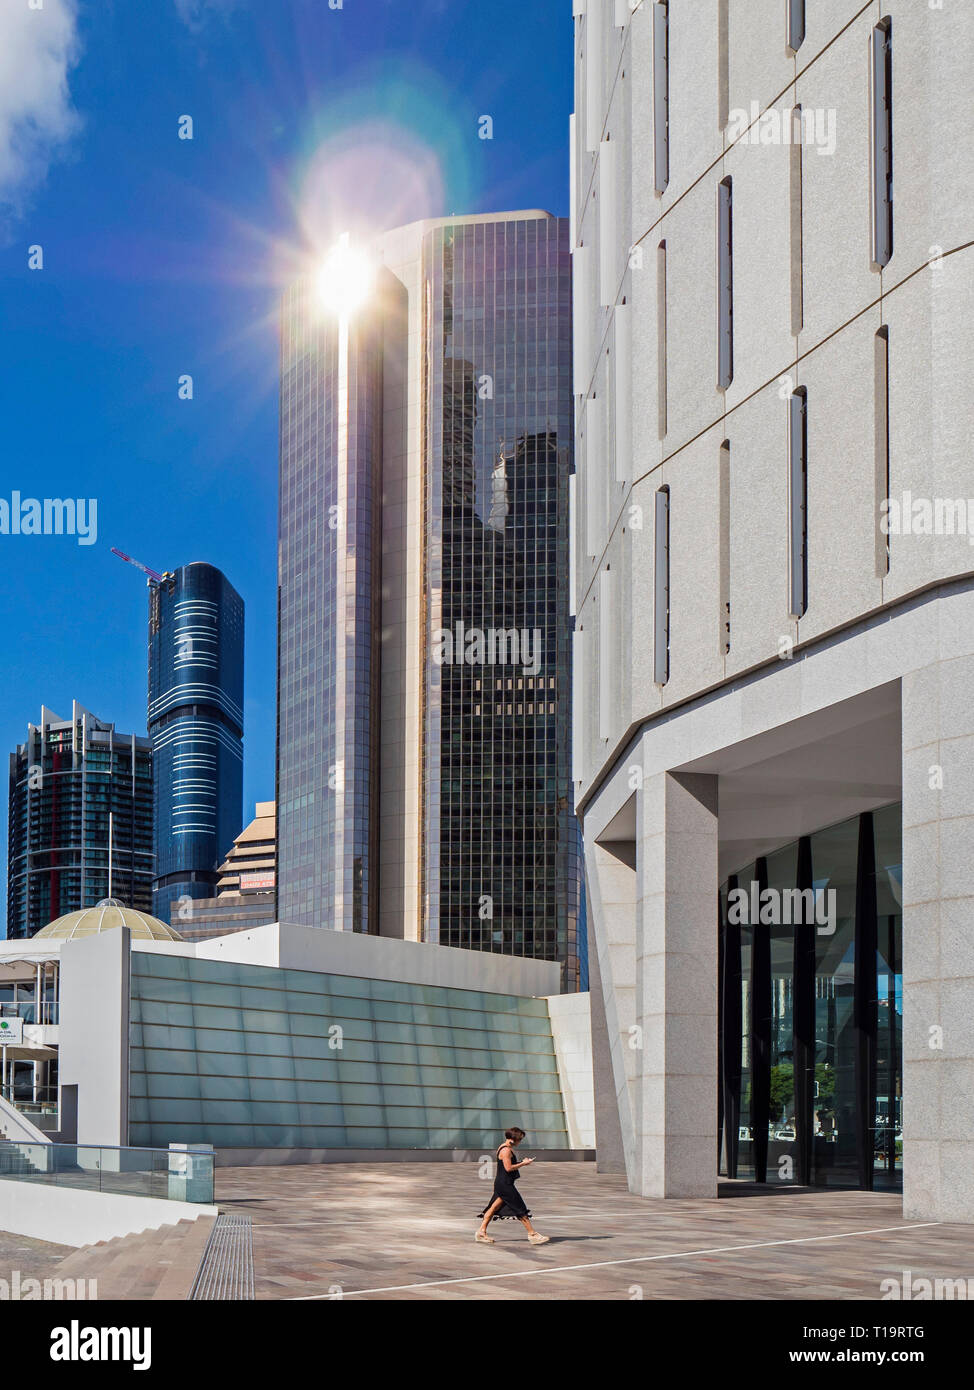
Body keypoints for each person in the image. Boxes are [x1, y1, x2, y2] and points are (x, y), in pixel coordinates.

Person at [475, 1126, 549, 1245]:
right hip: (505, 1185)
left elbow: (508, 1166)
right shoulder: (506, 1150)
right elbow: (508, 1168)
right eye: (520, 1139)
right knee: (519, 1207)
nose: (520, 1142)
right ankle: (532, 1234)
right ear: (513, 1139)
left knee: (493, 1208)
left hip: (501, 1183)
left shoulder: (504, 1147)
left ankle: (481, 1232)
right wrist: (523, 1164)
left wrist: (522, 1162)